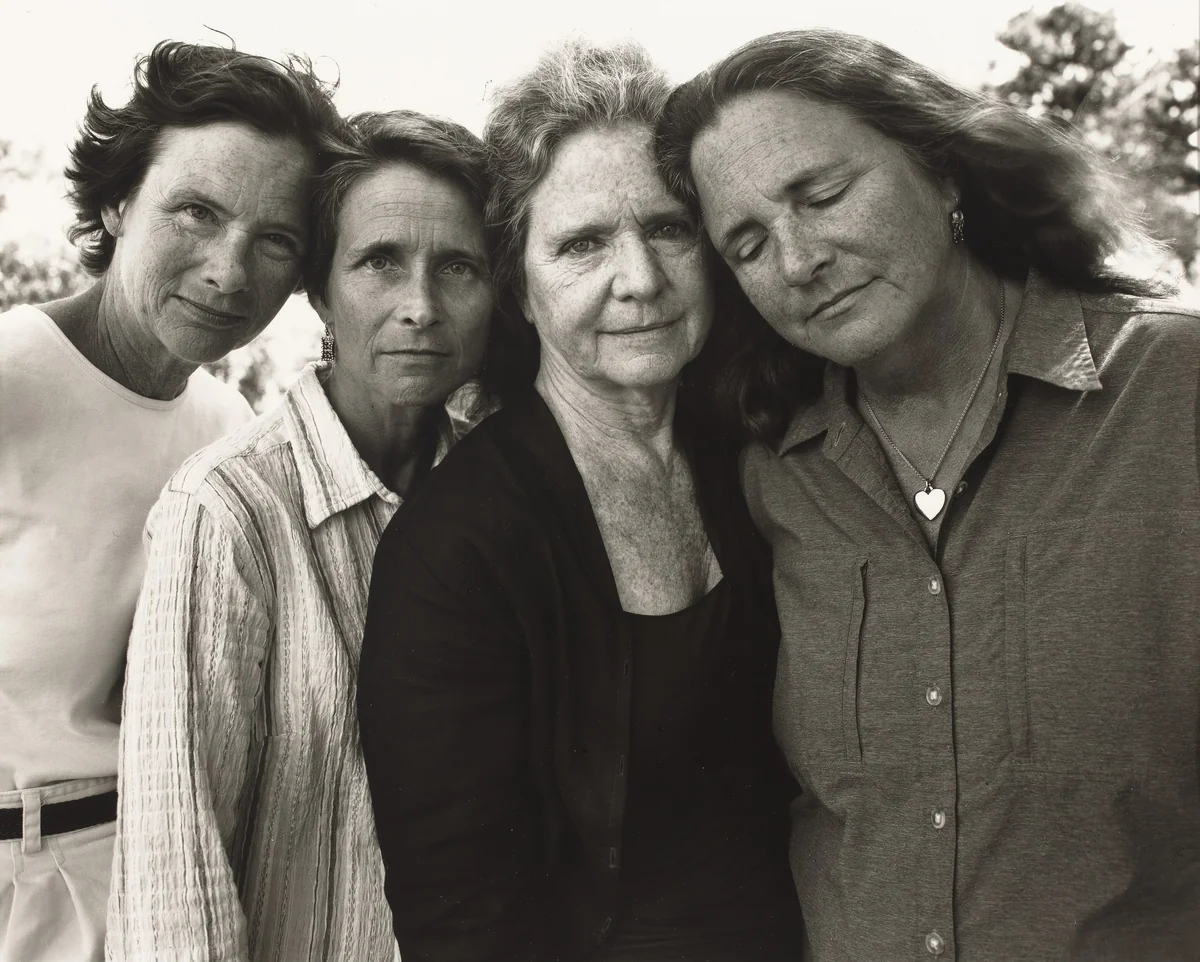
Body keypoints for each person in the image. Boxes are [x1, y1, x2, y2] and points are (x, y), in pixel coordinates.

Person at [654, 27, 1200, 962]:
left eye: (822, 195)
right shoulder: (775, 472)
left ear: (945, 176)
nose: (796, 259)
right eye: (746, 244)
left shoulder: (1173, 391)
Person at [357, 41, 805, 962]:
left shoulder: (760, 456)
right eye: (583, 243)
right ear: (519, 285)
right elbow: (461, 919)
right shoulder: (457, 546)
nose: (640, 279)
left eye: (669, 229)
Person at [106, 110, 495, 962]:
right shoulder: (228, 511)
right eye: (379, 262)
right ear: (320, 289)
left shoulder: (504, 496)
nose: (420, 308)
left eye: (458, 267)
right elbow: (176, 882)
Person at [0, 41, 338, 962]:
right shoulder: (10, 383)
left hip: (155, 897)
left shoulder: (231, 432)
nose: (231, 270)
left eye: (277, 240)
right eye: (196, 211)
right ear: (117, 203)